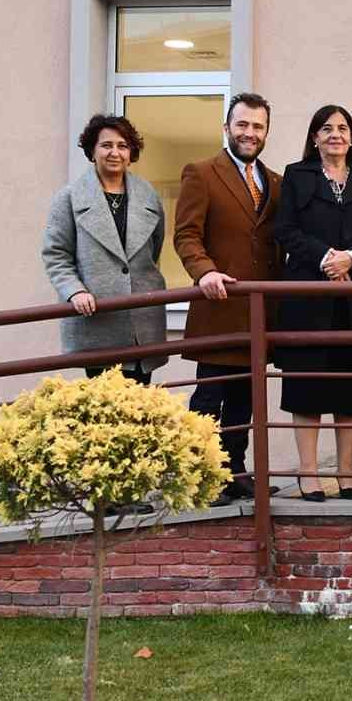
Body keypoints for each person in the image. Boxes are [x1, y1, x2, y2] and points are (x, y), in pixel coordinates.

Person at [273, 105, 352, 502]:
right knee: (306, 386)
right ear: (315, 137)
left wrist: (351, 258)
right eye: (326, 128)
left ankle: (346, 470)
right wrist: (326, 258)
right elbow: (285, 230)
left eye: (342, 128)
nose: (335, 134)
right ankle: (308, 472)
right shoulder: (296, 175)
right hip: (308, 297)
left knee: (351, 388)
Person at [173, 92, 282, 505]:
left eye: (258, 126)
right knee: (209, 400)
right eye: (242, 125)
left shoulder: (275, 182)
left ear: (266, 132)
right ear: (227, 128)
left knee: (244, 401)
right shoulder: (201, 173)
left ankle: (235, 473)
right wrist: (204, 271)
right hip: (218, 307)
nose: (250, 133)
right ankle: (204, 477)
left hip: (257, 314)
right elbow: (186, 234)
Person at [42, 113, 169, 383]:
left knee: (142, 400)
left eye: (122, 146)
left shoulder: (148, 195)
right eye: (106, 145)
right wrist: (75, 291)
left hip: (142, 321)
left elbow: (154, 249)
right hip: (98, 320)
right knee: (105, 402)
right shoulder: (69, 198)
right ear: (92, 150)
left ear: (131, 153)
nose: (115, 153)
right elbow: (56, 255)